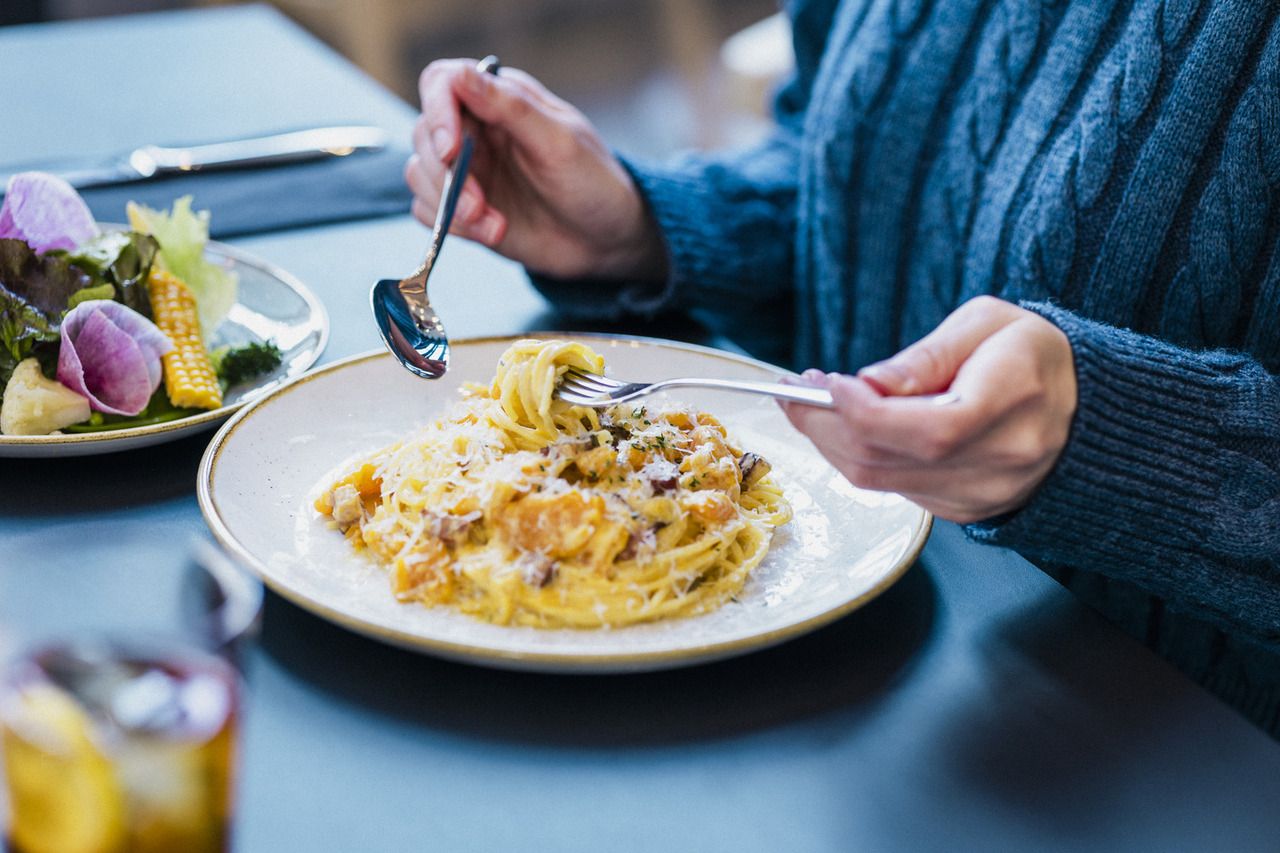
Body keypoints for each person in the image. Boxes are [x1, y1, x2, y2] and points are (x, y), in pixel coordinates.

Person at [407, 0, 1280, 735]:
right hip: (855, 682)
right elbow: (847, 166)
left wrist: (1128, 443)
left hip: (1178, 746)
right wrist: (652, 226)